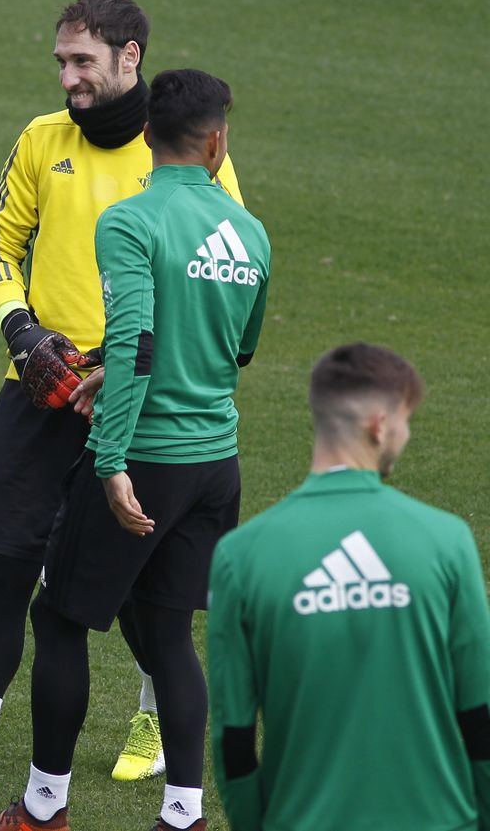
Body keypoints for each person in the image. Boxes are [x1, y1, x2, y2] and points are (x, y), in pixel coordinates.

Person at [0, 0, 246, 816]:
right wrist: (22, 330)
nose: (68, 77)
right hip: (41, 392)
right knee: (4, 564)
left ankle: (143, 731)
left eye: (82, 62)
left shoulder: (183, 153)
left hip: (141, 401)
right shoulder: (40, 140)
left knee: (149, 593)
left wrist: (120, 365)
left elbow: (218, 261)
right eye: (61, 61)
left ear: (129, 57)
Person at [208, 344, 490, 831]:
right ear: (379, 425)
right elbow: (480, 713)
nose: (406, 434)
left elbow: (233, 737)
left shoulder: (242, 556)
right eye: (406, 421)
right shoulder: (447, 542)